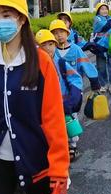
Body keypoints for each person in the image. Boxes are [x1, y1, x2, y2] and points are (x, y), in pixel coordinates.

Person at [0, 0, 69, 194]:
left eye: (6, 15)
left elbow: (54, 118)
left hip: (36, 160)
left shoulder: (41, 62)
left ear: (21, 19)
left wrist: (59, 166)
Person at [35, 29, 83, 161]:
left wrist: (74, 95)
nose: (48, 48)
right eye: (43, 45)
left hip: (65, 105)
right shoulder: (34, 66)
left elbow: (75, 78)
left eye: (51, 44)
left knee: (70, 130)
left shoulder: (60, 62)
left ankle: (71, 146)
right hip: (47, 108)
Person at [92, 2, 111, 94]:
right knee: (101, 66)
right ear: (98, 11)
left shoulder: (110, 18)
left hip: (110, 43)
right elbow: (105, 26)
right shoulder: (97, 19)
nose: (105, 11)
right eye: (102, 9)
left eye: (106, 9)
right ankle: (103, 84)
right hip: (100, 45)